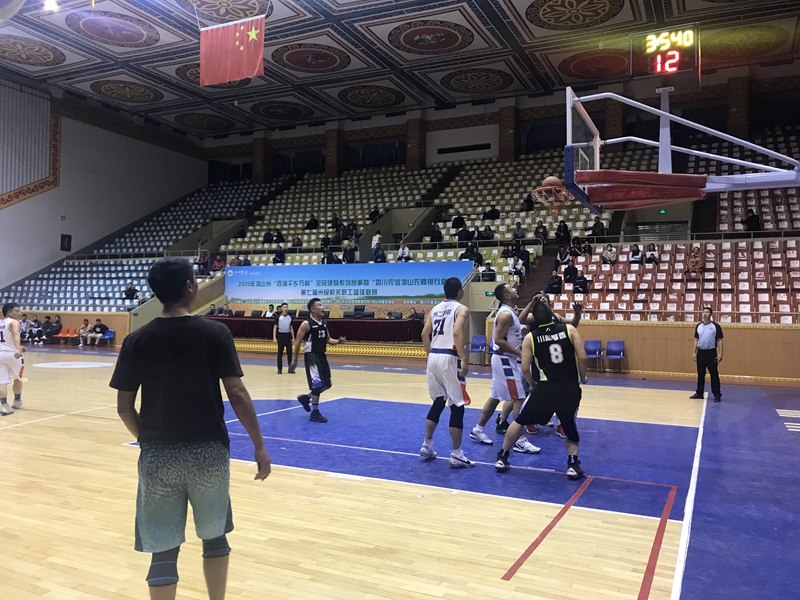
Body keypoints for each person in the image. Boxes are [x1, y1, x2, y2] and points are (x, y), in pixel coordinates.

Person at [110, 257, 270, 600]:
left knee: (163, 549)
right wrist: (259, 445)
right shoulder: (215, 332)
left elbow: (124, 407)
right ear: (189, 286)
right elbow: (237, 393)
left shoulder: (136, 340)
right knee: (215, 538)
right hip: (208, 452)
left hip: (158, 456)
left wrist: (147, 440)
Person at [495, 298, 588, 479]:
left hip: (545, 388)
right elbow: (583, 358)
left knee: (519, 421)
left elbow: (525, 368)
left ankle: (502, 456)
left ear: (535, 318)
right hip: (569, 387)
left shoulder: (531, 337)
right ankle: (572, 464)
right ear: (552, 313)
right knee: (569, 425)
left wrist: (532, 384)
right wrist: (583, 377)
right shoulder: (569, 329)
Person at [470, 286, 540, 453]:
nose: (515, 288)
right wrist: (519, 353)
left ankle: (478, 430)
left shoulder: (510, 312)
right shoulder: (505, 314)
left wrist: (531, 304)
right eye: (512, 288)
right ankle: (519, 440)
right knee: (518, 398)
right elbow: (498, 340)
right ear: (507, 295)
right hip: (505, 360)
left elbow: (518, 322)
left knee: (495, 397)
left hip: (505, 360)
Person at [419, 277, 474, 468]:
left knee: (438, 401)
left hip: (434, 355)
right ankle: (457, 454)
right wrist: (464, 358)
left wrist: (431, 355)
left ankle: (427, 444)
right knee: (457, 405)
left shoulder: (435, 309)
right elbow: (457, 332)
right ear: (459, 290)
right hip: (450, 357)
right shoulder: (461, 309)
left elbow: (424, 334)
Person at [290, 298, 345, 423]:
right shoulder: (306, 324)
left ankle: (306, 398)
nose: (322, 307)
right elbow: (297, 342)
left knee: (327, 384)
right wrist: (294, 360)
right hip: (311, 357)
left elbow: (329, 340)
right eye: (319, 305)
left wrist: (338, 341)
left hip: (321, 356)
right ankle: (315, 412)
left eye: (322, 305)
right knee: (317, 383)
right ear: (312, 309)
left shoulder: (324, 323)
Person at [690, 307, 723, 402]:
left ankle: (717, 394)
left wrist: (720, 353)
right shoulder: (698, 326)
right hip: (701, 352)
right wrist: (694, 352)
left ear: (711, 314)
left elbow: (720, 340)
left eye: (707, 312)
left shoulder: (715, 326)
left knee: (714, 374)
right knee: (700, 374)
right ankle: (699, 393)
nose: (705, 314)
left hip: (711, 352)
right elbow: (696, 339)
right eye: (703, 312)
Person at [0, 303, 26, 415]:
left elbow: (5, 340)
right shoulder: (14, 322)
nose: (19, 313)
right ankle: (17, 400)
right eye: (17, 311)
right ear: (9, 313)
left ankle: (4, 406)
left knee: (2, 381)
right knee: (17, 378)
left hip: (1, 354)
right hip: (12, 355)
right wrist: (17, 349)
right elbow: (16, 335)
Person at [273, 303, 295, 375]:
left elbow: (291, 328)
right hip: (280, 336)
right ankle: (279, 369)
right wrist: (274, 337)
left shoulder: (290, 317)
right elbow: (275, 327)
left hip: (287, 336)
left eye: (286, 307)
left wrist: (293, 338)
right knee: (280, 353)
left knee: (289, 353)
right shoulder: (278, 317)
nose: (285, 308)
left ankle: (290, 369)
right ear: (281, 308)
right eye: (284, 307)